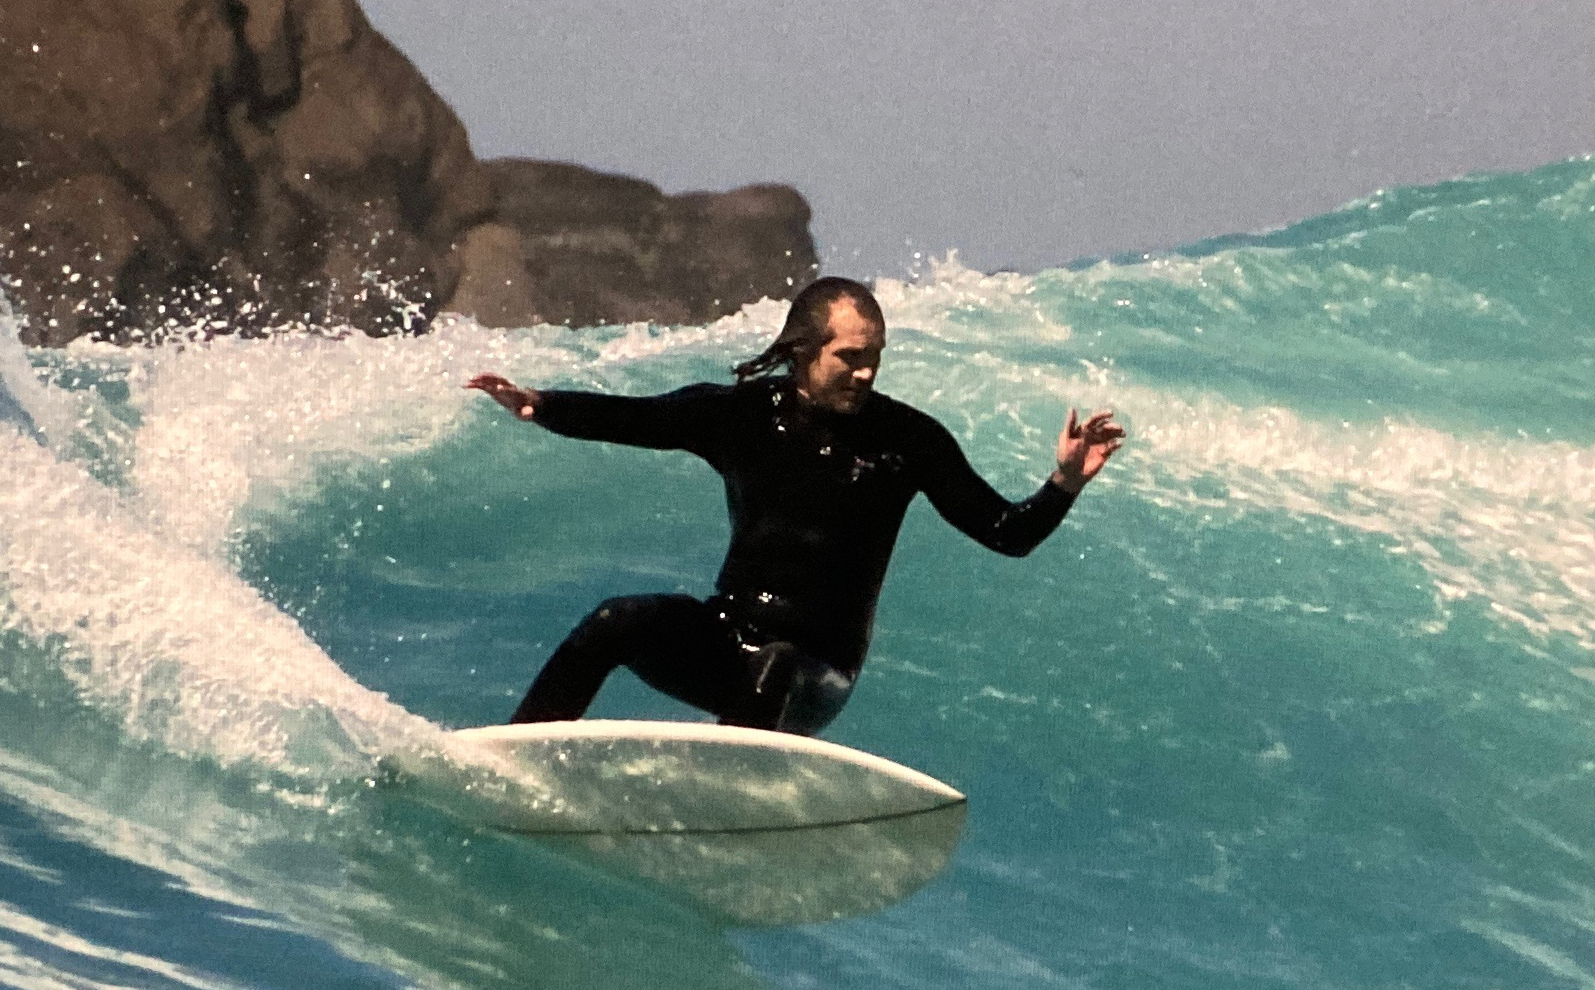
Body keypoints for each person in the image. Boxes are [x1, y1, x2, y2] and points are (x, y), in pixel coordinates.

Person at [464, 276, 1124, 737]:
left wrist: (1064, 482)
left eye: (876, 358)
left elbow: (1005, 532)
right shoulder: (744, 417)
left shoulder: (908, 441)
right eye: (850, 357)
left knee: (773, 662)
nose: (866, 373)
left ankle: (723, 808)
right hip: (729, 639)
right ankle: (518, 755)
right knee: (616, 620)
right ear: (805, 351)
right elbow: (642, 419)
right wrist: (541, 406)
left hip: (817, 673)